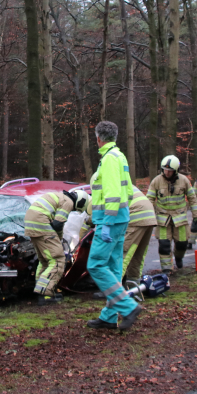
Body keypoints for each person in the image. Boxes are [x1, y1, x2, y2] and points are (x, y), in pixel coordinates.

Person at [86, 120, 142, 331]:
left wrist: (107, 223)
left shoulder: (108, 159)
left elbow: (112, 194)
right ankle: (109, 317)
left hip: (110, 220)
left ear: (98, 138)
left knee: (96, 265)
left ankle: (128, 308)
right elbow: (127, 191)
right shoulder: (119, 156)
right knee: (113, 268)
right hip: (121, 219)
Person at [81, 180, 157, 285]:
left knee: (122, 253)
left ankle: (112, 288)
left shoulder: (106, 190)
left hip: (135, 214)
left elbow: (101, 213)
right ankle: (133, 282)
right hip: (149, 215)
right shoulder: (119, 182)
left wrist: (88, 222)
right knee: (138, 252)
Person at [25, 189, 90, 305]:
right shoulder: (68, 202)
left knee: (45, 260)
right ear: (81, 202)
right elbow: (58, 224)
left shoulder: (59, 196)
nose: (74, 210)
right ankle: (46, 295)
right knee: (58, 260)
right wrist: (59, 240)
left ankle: (40, 289)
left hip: (31, 224)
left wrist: (57, 240)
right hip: (42, 223)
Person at [147, 155, 197, 272]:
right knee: (164, 245)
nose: (167, 172)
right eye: (165, 169)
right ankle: (166, 270)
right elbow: (149, 199)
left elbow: (192, 198)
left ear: (175, 170)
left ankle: (179, 257)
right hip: (163, 219)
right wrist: (149, 217)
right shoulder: (156, 181)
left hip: (180, 219)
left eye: (170, 170)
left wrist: (196, 215)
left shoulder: (184, 180)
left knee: (182, 243)